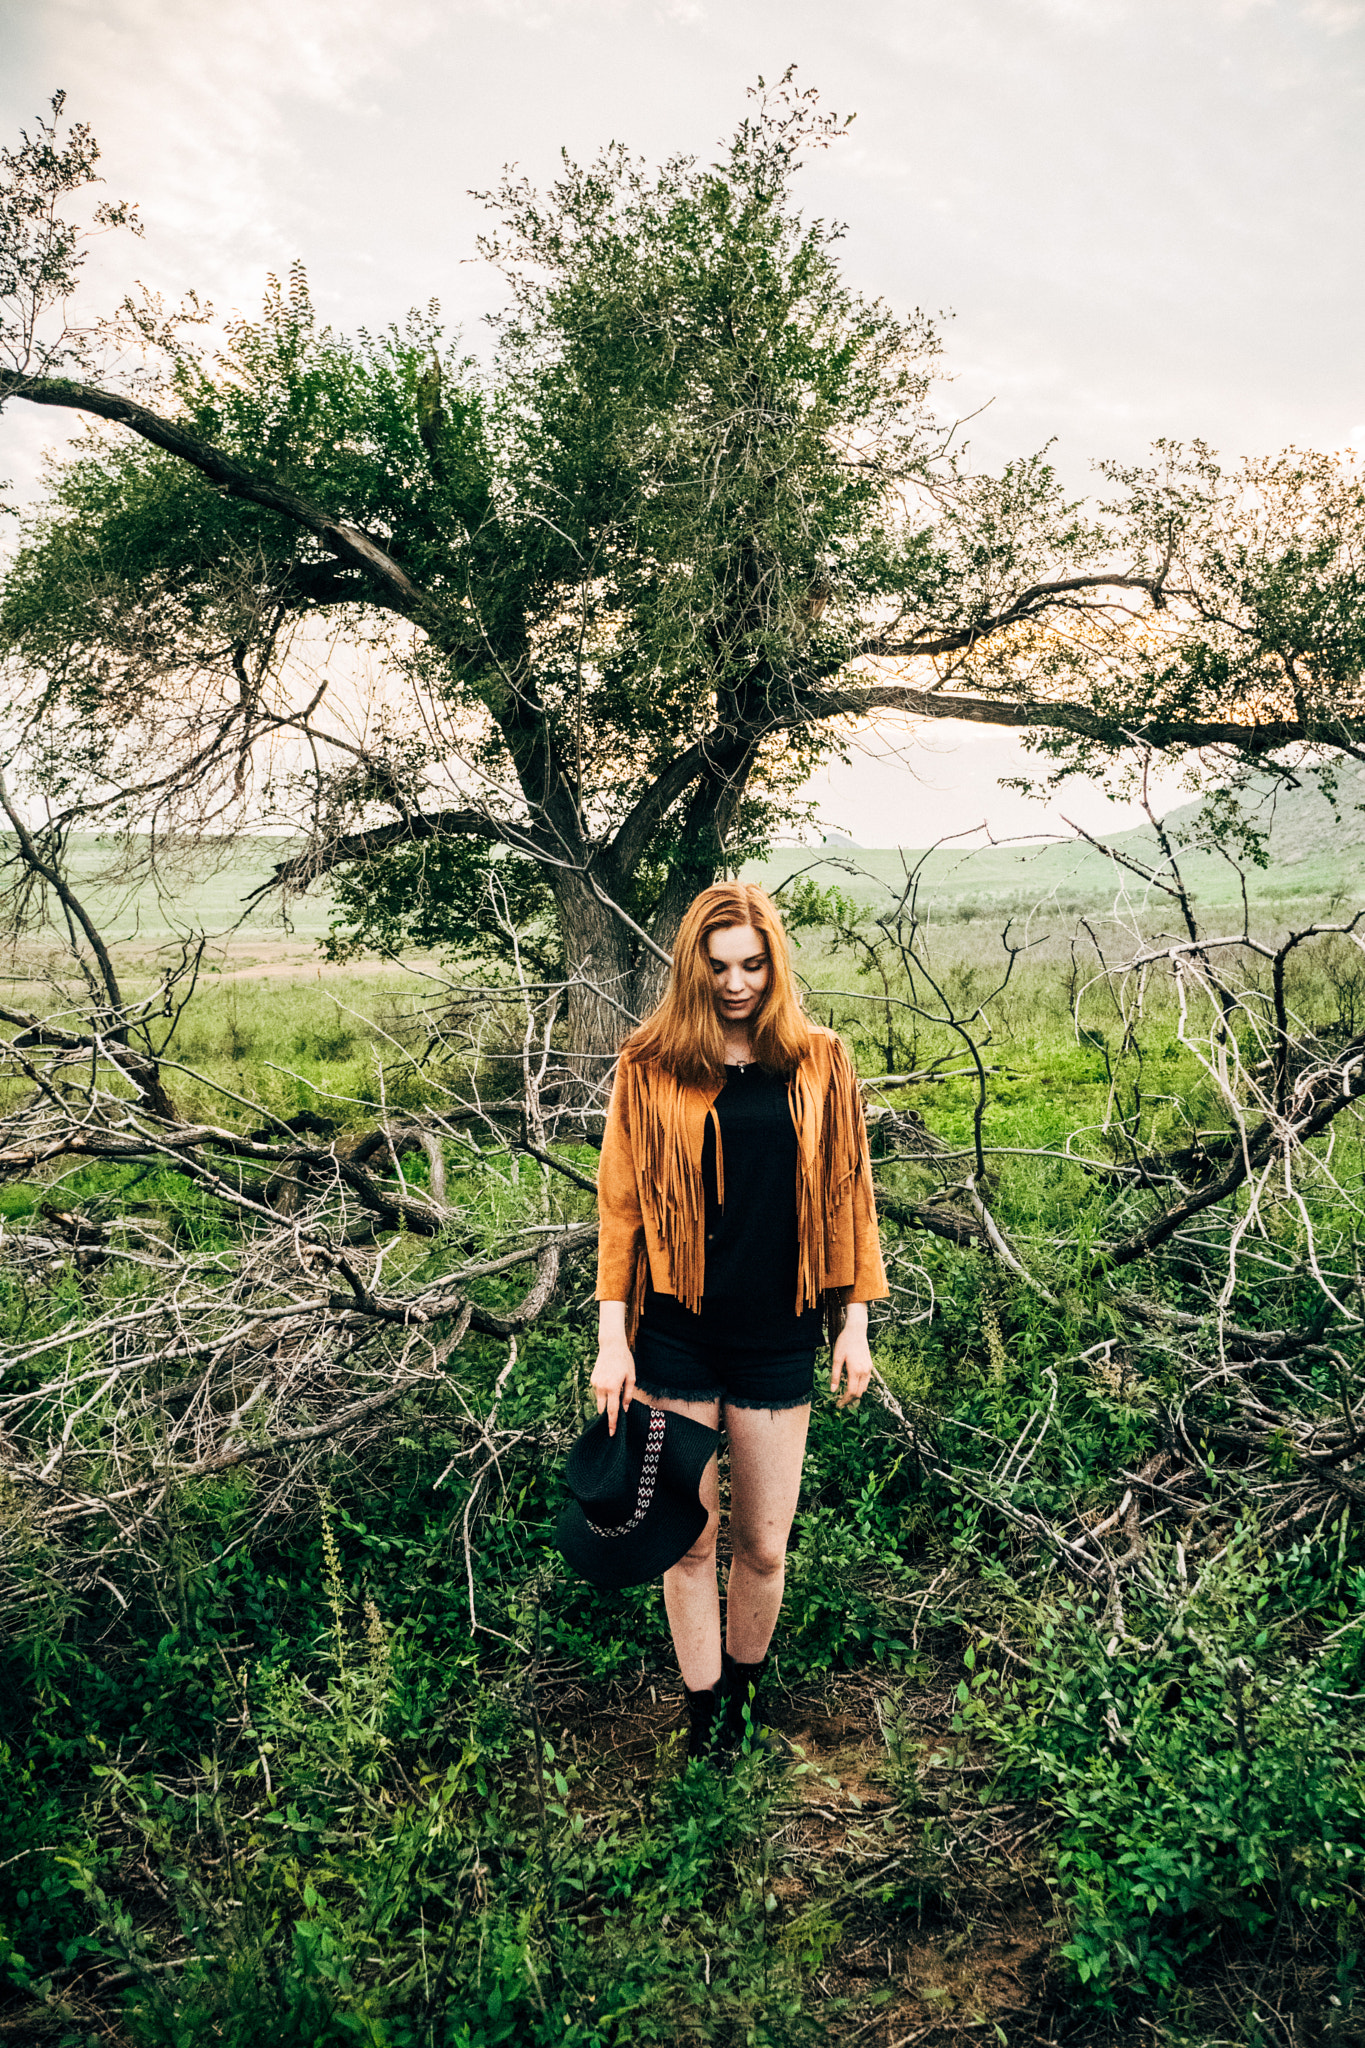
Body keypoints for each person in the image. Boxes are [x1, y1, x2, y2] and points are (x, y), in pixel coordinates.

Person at [591, 881, 888, 1758]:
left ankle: (746, 1695)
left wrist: (854, 1324)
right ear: (692, 966)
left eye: (752, 965)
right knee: (687, 1541)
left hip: (775, 1333)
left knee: (761, 1543)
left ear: (774, 964)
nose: (736, 983)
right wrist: (613, 1342)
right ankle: (706, 1716)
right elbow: (620, 1212)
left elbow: (850, 1195)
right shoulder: (648, 1063)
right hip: (674, 1333)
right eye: (718, 966)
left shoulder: (819, 1060)